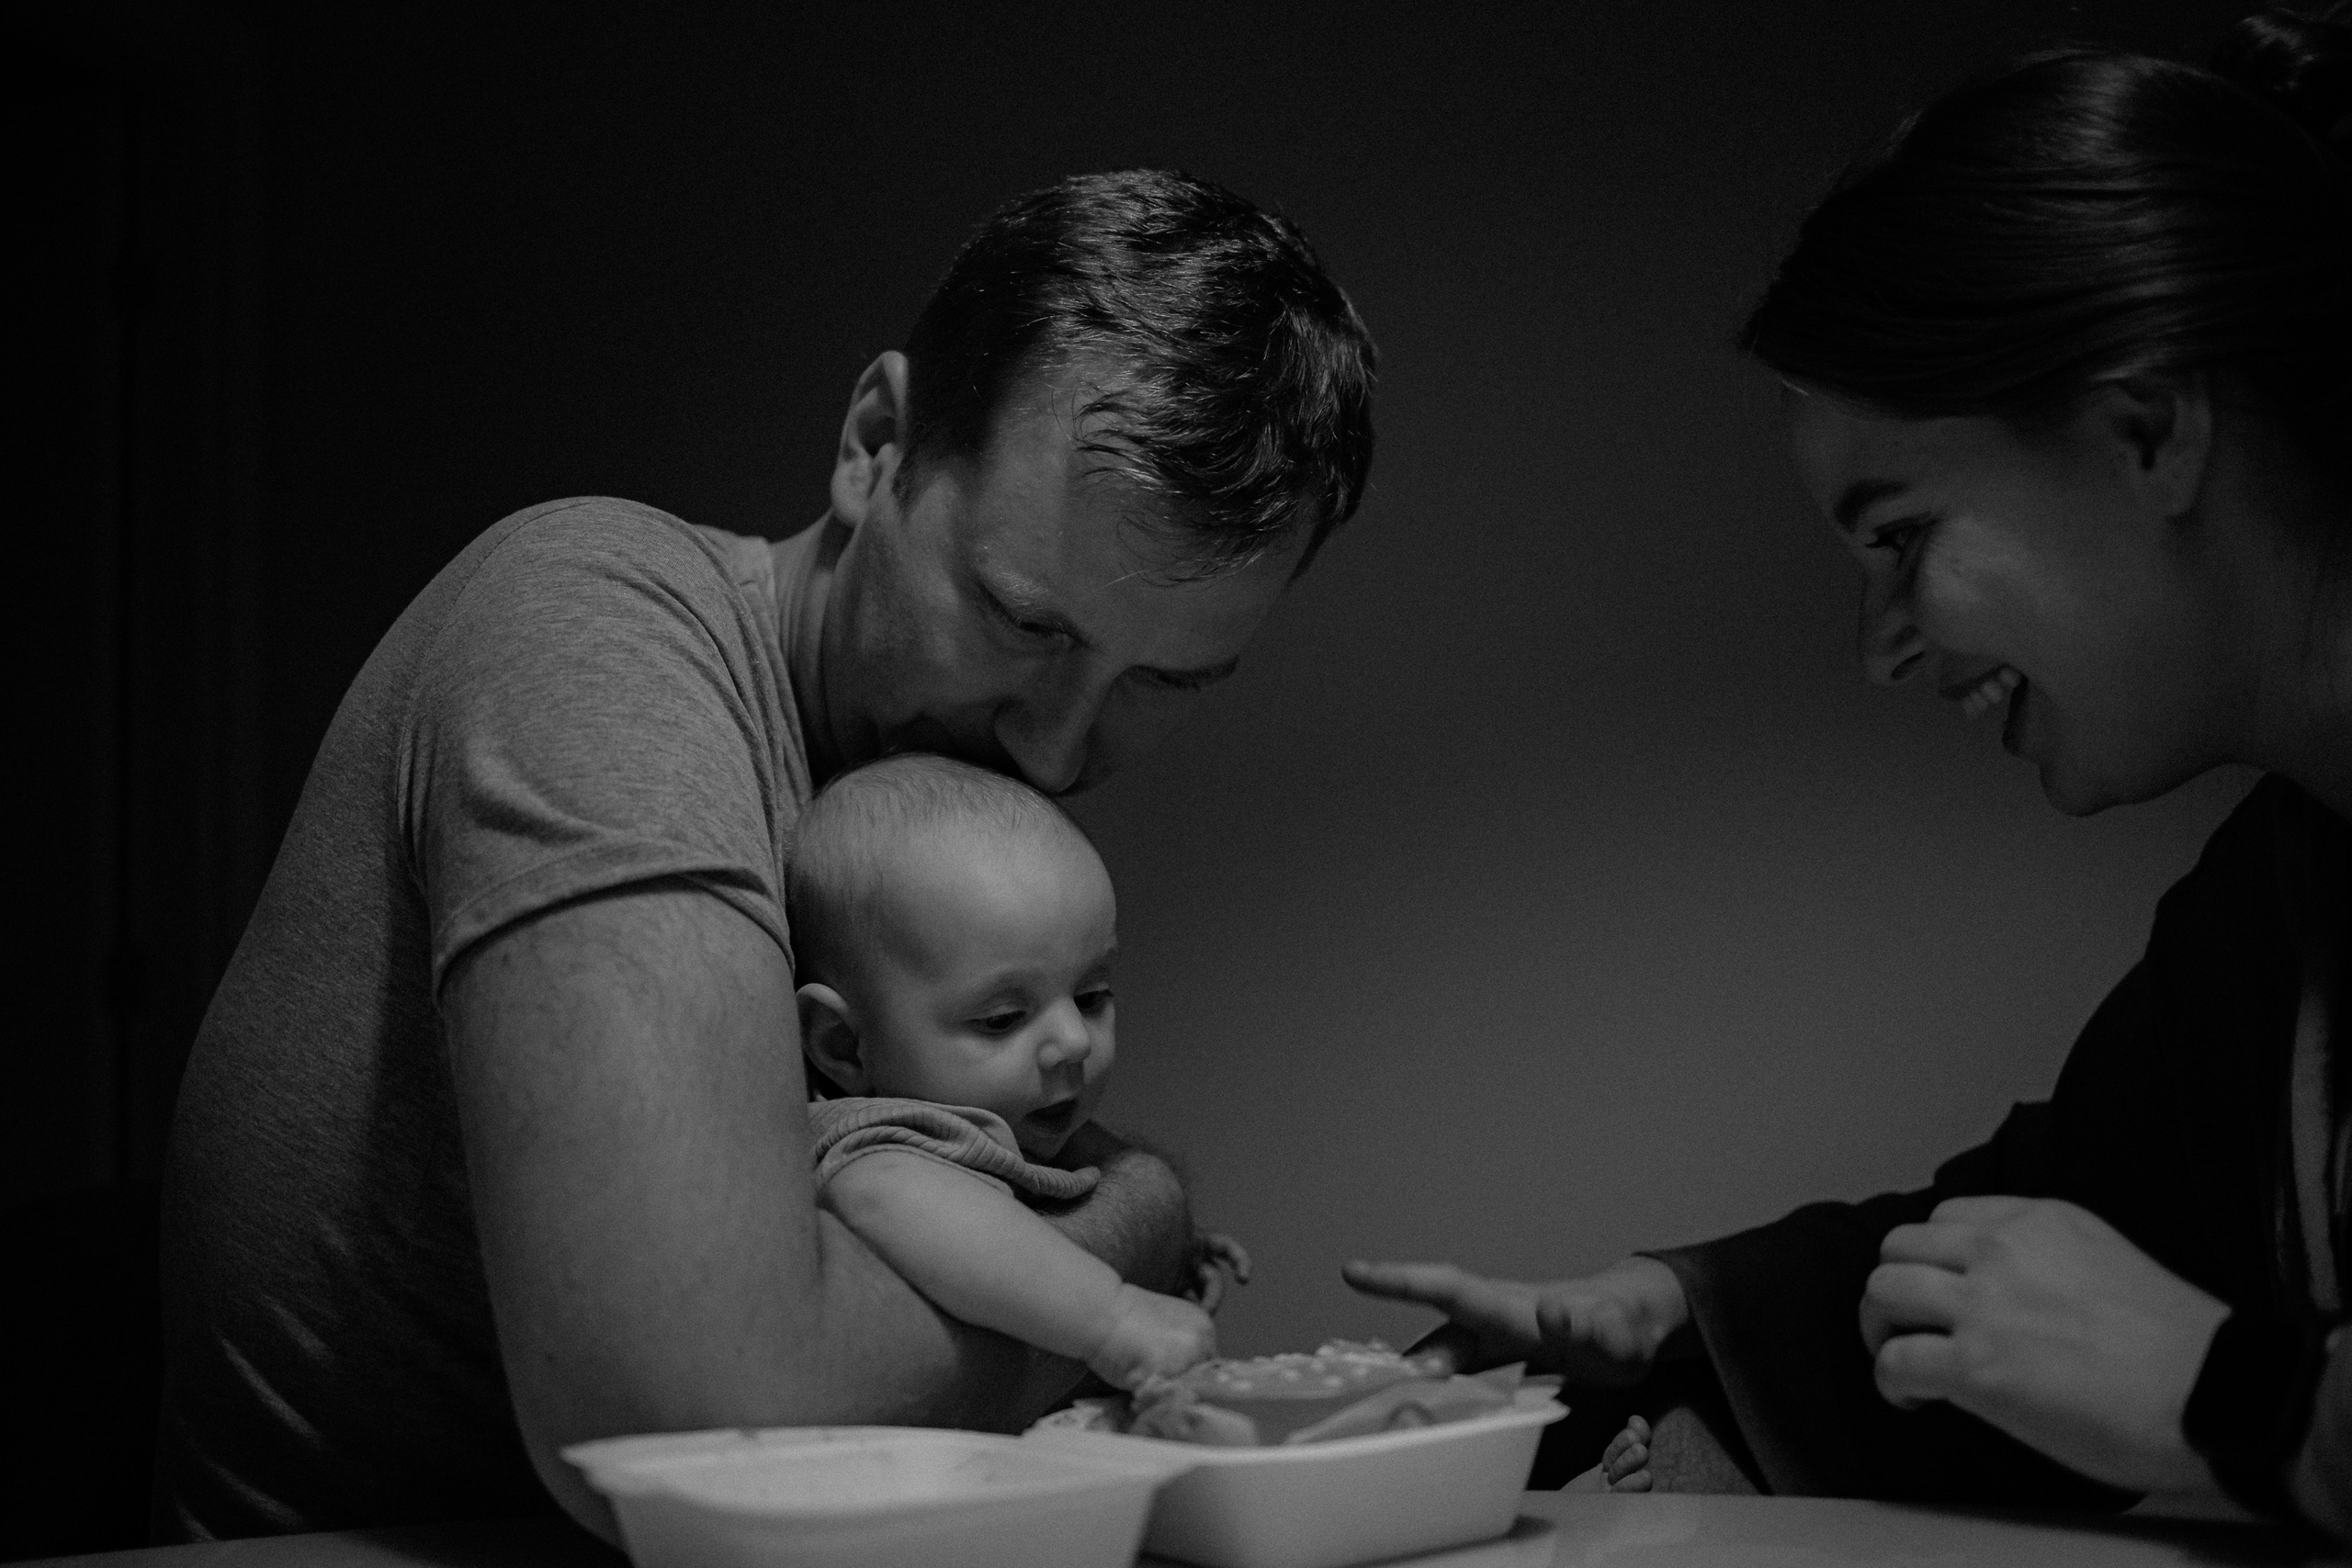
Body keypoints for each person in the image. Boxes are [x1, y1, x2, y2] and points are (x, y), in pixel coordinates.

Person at [157, 169, 1375, 1542]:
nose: (1055, 749)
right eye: (1023, 621)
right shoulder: (599, 630)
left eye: (1165, 682)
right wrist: (1141, 1214)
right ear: (874, 443)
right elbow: (692, 1422)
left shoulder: (925, 810)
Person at [1349, 0, 2352, 1537]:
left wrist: (2229, 1394)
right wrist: (1669, 1308)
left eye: (1902, 537)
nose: (1882, 645)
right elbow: (2040, 1237)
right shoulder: (2276, 905)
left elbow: (2146, 1338)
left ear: (2148, 428)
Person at [787, 752, 1224, 1392]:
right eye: (1002, 1017)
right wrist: (1112, 1315)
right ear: (844, 1047)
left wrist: (1175, 1258)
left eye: (1092, 994)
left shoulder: (1000, 1118)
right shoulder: (877, 1139)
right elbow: (894, 1199)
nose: (1073, 1040)